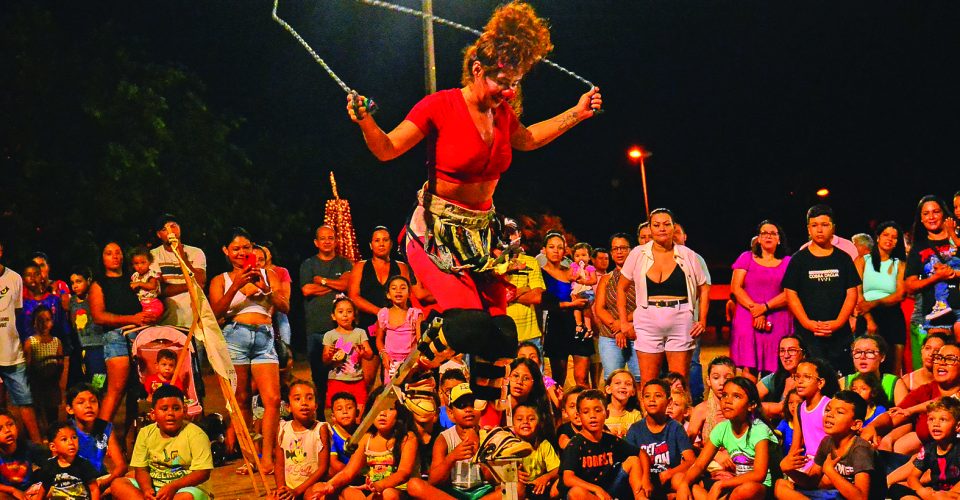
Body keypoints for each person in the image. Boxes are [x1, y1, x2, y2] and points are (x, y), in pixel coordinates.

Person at [347, 0, 602, 399]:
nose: (509, 90)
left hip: (482, 237)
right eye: (502, 80)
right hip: (437, 235)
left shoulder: (502, 114)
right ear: (478, 70)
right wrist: (366, 120)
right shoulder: (441, 105)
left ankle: (485, 416)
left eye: (515, 81)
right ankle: (415, 369)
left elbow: (528, 139)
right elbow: (387, 148)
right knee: (469, 325)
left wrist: (577, 113)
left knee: (503, 334)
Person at [209, 227, 289, 474]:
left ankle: (269, 456)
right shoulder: (221, 279)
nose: (241, 252)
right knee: (241, 399)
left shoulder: (268, 274)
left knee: (272, 399)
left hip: (264, 336)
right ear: (226, 251)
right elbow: (214, 313)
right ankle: (251, 457)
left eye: (246, 247)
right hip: (235, 336)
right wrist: (236, 286)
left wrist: (266, 289)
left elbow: (284, 306)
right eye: (235, 248)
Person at [617, 208, 709, 385]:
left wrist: (702, 320)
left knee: (678, 382)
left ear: (674, 227)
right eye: (656, 225)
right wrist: (623, 322)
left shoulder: (687, 255)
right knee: (648, 381)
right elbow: (621, 288)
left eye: (666, 224)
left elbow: (704, 287)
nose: (662, 228)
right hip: (647, 317)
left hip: (681, 317)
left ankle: (681, 405)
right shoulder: (638, 253)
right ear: (650, 228)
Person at [783, 204, 860, 375]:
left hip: (840, 335)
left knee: (841, 379)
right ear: (808, 229)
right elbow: (790, 293)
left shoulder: (844, 258)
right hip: (807, 336)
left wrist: (838, 323)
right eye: (814, 225)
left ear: (833, 228)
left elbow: (851, 293)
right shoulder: (798, 260)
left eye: (825, 225)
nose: (819, 230)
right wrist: (807, 323)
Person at [675, 378, 778, 500]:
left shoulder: (759, 430)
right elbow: (699, 465)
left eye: (736, 396)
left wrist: (721, 484)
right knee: (679, 479)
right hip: (734, 482)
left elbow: (759, 474)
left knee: (747, 489)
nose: (727, 401)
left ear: (751, 405)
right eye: (724, 395)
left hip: (760, 488)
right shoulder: (721, 429)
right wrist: (684, 484)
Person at [88, 241, 157, 422]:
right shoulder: (98, 285)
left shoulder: (133, 279)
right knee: (116, 390)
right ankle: (101, 435)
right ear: (102, 258)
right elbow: (99, 317)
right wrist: (132, 319)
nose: (115, 256)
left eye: (118, 252)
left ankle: (130, 436)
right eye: (109, 253)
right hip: (116, 337)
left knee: (138, 391)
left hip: (141, 335)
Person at [112, 385, 213, 500]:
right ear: (153, 414)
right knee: (118, 484)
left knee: (186, 497)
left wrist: (173, 486)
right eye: (164, 409)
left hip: (185, 488)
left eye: (176, 408)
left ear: (184, 410)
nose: (170, 413)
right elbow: (141, 469)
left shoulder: (196, 435)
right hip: (155, 486)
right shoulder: (145, 433)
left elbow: (202, 472)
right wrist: (147, 489)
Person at [318, 386, 418, 500]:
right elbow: (348, 472)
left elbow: (403, 473)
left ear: (399, 413)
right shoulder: (367, 438)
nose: (382, 413)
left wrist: (379, 485)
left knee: (388, 494)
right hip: (373, 490)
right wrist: (329, 484)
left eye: (390, 408)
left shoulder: (407, 437)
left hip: (399, 492)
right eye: (378, 407)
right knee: (347, 492)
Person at [861, 341, 960, 455]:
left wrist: (912, 410)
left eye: (950, 359)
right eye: (938, 358)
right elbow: (895, 415)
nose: (942, 363)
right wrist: (873, 427)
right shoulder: (925, 391)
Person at [348, 226, 416, 388]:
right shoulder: (360, 266)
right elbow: (354, 296)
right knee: (366, 378)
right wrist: (381, 313)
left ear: (391, 244)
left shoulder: (401, 267)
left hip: (396, 329)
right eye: (377, 240)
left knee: (394, 379)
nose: (381, 244)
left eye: (385, 240)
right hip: (368, 327)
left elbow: (409, 295)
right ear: (370, 245)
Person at [406, 383, 500, 500]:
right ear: (451, 413)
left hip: (483, 492)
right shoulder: (444, 439)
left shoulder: (490, 436)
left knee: (517, 487)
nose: (468, 410)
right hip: (453, 494)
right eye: (462, 405)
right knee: (414, 485)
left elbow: (495, 479)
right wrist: (451, 458)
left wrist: (479, 454)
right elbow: (433, 481)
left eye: (473, 404)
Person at [776, 391, 874, 500]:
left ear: (855, 424)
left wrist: (830, 472)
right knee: (781, 485)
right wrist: (789, 470)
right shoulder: (827, 442)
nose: (829, 415)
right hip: (832, 495)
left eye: (839, 412)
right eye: (827, 410)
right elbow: (811, 482)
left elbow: (861, 497)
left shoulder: (860, 449)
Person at [300, 225, 353, 415]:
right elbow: (307, 290)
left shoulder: (344, 263)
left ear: (336, 241)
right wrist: (335, 286)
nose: (327, 241)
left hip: (341, 329)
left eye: (331, 238)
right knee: (319, 376)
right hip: (316, 329)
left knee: (344, 371)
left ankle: (344, 414)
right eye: (323, 238)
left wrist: (322, 281)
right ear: (316, 242)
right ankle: (321, 415)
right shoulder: (308, 264)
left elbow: (346, 285)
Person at [730, 220, 792, 380]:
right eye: (764, 233)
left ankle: (769, 395)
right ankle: (749, 395)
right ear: (758, 238)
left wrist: (764, 308)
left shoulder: (788, 262)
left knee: (775, 366)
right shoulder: (746, 258)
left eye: (773, 233)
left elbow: (790, 293)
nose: (768, 236)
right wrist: (756, 311)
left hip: (777, 317)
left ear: (779, 239)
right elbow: (736, 287)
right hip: (747, 316)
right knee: (749, 365)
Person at [559, 389, 649, 500]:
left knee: (633, 460)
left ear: (607, 414)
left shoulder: (611, 440)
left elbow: (641, 453)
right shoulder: (575, 445)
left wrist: (646, 478)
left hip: (610, 488)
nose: (592, 416)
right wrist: (596, 489)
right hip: (589, 492)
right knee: (576, 492)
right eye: (586, 412)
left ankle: (640, 497)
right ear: (579, 416)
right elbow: (568, 478)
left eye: (597, 410)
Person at [625, 379, 694, 498]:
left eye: (658, 396)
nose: (652, 399)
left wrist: (669, 474)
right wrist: (645, 477)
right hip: (644, 480)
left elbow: (691, 460)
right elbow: (630, 460)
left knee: (683, 482)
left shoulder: (675, 428)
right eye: (647, 396)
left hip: (668, 478)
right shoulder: (635, 429)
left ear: (669, 401)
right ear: (642, 400)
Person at [854, 221, 907, 375]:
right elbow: (858, 294)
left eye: (894, 237)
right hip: (866, 315)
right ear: (877, 237)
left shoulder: (899, 264)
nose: (889, 239)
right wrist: (869, 320)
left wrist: (875, 302)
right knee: (865, 366)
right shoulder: (862, 261)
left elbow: (899, 295)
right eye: (886, 235)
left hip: (892, 316)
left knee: (893, 369)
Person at [540, 232, 592, 387]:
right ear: (544, 250)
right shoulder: (540, 273)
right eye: (551, 247)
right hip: (557, 324)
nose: (556, 251)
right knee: (558, 378)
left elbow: (586, 290)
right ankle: (558, 403)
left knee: (582, 378)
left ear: (565, 251)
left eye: (560, 247)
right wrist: (570, 305)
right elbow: (544, 303)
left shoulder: (572, 272)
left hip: (578, 323)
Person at [905, 196, 960, 341]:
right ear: (921, 219)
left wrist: (954, 273)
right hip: (937, 317)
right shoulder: (918, 248)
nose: (931, 217)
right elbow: (910, 286)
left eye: (936, 212)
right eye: (926, 213)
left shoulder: (957, 239)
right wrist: (936, 277)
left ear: (944, 214)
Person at [273, 380, 330, 500]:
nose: (304, 403)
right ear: (288, 407)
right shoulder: (283, 429)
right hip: (289, 487)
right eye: (297, 399)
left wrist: (297, 491)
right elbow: (279, 465)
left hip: (310, 486)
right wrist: (282, 489)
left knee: (315, 497)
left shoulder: (320, 429)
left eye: (309, 398)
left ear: (316, 405)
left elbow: (323, 468)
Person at [594, 233, 640, 381]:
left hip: (637, 334)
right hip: (610, 336)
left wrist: (623, 323)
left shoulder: (641, 277)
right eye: (615, 249)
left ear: (631, 250)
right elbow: (599, 308)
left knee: (640, 379)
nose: (619, 252)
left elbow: (644, 306)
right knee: (612, 380)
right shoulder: (606, 279)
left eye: (623, 248)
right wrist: (617, 327)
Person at [64, 384, 127, 492]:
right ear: (70, 409)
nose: (88, 405)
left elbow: (121, 465)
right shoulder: (65, 430)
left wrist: (104, 482)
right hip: (75, 482)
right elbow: (58, 466)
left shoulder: (105, 427)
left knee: (130, 478)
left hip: (101, 480)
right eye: (81, 402)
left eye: (93, 401)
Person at [894, 397, 960, 499]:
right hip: (934, 494)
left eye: (943, 419)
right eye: (931, 419)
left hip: (953, 494)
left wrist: (947, 495)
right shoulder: (928, 449)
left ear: (957, 426)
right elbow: (912, 477)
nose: (936, 424)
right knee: (897, 490)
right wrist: (922, 491)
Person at [149, 214, 207, 328]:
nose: (170, 231)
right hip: (167, 323)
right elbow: (159, 289)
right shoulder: (153, 255)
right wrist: (191, 285)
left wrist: (182, 255)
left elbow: (200, 281)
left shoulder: (196, 252)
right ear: (159, 235)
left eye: (173, 226)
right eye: (164, 229)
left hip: (195, 322)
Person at [322, 297, 373, 412]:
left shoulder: (360, 333)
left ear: (354, 315)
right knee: (339, 412)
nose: (345, 315)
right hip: (337, 380)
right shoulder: (329, 335)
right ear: (333, 316)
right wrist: (330, 355)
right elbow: (325, 360)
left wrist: (363, 353)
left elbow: (369, 354)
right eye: (340, 312)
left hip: (357, 380)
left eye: (349, 311)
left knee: (359, 412)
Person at [790, 358, 840, 474]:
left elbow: (835, 445)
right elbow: (795, 447)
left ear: (820, 383)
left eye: (807, 377)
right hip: (807, 463)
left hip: (826, 463)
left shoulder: (828, 406)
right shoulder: (799, 408)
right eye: (797, 376)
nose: (800, 381)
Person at [23, 305, 66, 432]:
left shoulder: (57, 342)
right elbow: (28, 366)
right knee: (38, 413)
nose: (44, 324)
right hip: (37, 385)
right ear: (34, 323)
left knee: (52, 414)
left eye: (47, 320)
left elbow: (60, 363)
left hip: (52, 385)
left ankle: (52, 434)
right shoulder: (30, 342)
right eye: (40, 321)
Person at [374, 275, 422, 386]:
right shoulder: (383, 314)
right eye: (394, 288)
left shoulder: (415, 314)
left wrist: (412, 361)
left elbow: (420, 341)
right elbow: (379, 340)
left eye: (403, 288)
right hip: (390, 363)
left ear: (409, 293)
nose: (398, 291)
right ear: (388, 294)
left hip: (410, 362)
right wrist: (384, 355)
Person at [36, 422, 101, 500]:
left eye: (74, 437)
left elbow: (94, 489)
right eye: (64, 439)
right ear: (53, 447)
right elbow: (44, 489)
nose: (71, 442)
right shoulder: (50, 466)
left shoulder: (83, 464)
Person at [68, 267, 106, 387]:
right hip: (81, 346)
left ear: (88, 280)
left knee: (99, 377)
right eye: (72, 283)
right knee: (86, 379)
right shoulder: (72, 301)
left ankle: (98, 394)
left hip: (97, 345)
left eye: (79, 281)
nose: (75, 286)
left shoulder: (95, 298)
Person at [513, 403, 560, 500]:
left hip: (538, 486)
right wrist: (513, 474)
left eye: (531, 419)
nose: (525, 422)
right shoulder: (509, 444)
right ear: (513, 423)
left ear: (539, 423)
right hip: (517, 487)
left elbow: (557, 468)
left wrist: (546, 477)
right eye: (520, 419)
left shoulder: (544, 444)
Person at [837, 334, 900, 406]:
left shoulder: (894, 382)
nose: (862, 357)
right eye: (858, 352)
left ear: (882, 357)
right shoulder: (843, 383)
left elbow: (903, 411)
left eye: (870, 352)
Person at [505, 241, 546, 350]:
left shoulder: (531, 262)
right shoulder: (492, 264)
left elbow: (537, 297)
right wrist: (524, 289)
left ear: (519, 234)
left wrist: (507, 295)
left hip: (530, 336)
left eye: (512, 233)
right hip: (501, 335)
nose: (510, 238)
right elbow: (492, 296)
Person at [687, 356, 735, 446]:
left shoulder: (740, 407)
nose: (722, 382)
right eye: (716, 378)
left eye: (727, 378)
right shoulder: (701, 410)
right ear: (708, 380)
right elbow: (687, 444)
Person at [756, 335, 807, 419]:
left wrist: (774, 409)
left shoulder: (809, 379)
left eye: (792, 350)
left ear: (803, 354)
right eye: (782, 351)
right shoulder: (776, 377)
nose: (786, 356)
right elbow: (748, 400)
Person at [0, 410, 45, 495]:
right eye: (0, 428)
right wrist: (12, 490)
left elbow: (50, 463)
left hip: (31, 491)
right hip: (7, 493)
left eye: (10, 424)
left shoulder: (28, 446)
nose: (7, 430)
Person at [328, 392, 360, 477]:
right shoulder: (330, 434)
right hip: (342, 476)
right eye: (339, 409)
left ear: (357, 413)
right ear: (333, 416)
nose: (345, 412)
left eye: (349, 408)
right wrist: (352, 474)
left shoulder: (363, 431)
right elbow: (334, 462)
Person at [604, 369, 642, 438]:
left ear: (633, 391)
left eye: (628, 384)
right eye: (617, 383)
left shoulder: (636, 415)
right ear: (608, 389)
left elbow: (639, 438)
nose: (623, 386)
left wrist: (628, 433)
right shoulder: (601, 412)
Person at [128, 246, 163, 319]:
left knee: (148, 317)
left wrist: (139, 283)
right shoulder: (135, 276)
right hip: (140, 303)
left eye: (143, 263)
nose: (140, 266)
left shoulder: (151, 274)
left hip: (152, 303)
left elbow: (152, 286)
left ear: (149, 262)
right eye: (136, 263)